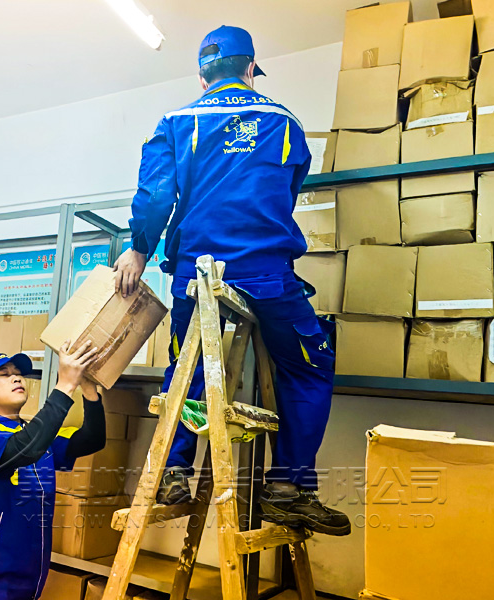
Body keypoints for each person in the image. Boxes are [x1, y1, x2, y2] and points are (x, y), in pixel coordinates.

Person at [113, 25, 350, 536]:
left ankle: (174, 473)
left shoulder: (176, 122)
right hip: (267, 274)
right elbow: (287, 188)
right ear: (250, 69)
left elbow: (155, 197)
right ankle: (288, 489)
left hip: (195, 274)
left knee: (187, 364)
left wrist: (138, 249)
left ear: (202, 77)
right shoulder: (284, 121)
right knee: (309, 365)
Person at [0, 341, 106, 599]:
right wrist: (65, 385)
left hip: (29, 574)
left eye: (18, 373)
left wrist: (88, 389)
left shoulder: (32, 433)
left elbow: (92, 440)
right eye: (4, 374)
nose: (17, 378)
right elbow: (25, 448)